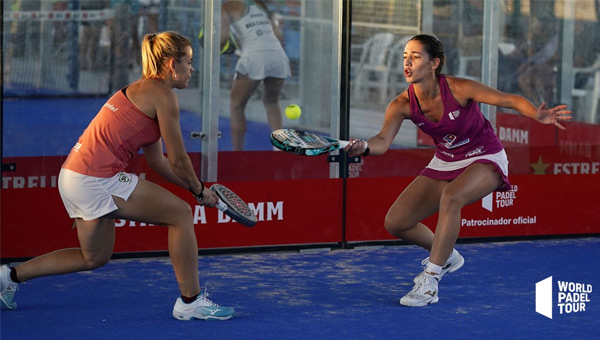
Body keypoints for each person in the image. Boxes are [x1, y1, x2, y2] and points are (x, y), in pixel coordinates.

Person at [0, 31, 235, 321]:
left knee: (93, 258)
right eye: (189, 62)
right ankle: (190, 301)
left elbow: (159, 163)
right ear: (172, 64)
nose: (192, 69)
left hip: (72, 176)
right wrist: (199, 192)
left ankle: (7, 278)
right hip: (96, 178)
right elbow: (179, 159)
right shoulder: (164, 95)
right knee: (182, 215)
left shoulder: (141, 90)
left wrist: (197, 189)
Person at [345, 34, 571, 307]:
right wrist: (363, 147)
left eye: (415, 57)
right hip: (445, 160)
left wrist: (536, 114)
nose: (407, 62)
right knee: (397, 222)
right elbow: (381, 142)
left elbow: (509, 99)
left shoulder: (458, 88)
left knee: (452, 197)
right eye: (405, 56)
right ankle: (447, 255)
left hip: (484, 154)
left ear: (434, 63)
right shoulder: (402, 104)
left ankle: (430, 280)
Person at [221, 0, 291, 150]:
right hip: (278, 56)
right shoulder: (262, 5)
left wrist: (210, 43)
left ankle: (237, 154)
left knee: (237, 105)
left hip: (254, 56)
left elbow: (223, 39)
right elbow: (279, 36)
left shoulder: (226, 7)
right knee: (272, 101)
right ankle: (279, 150)